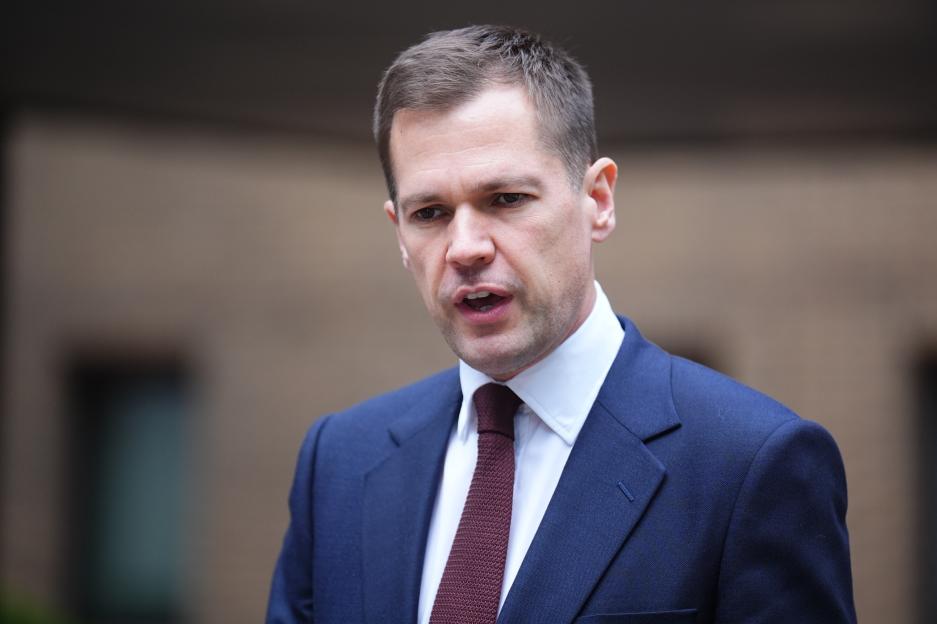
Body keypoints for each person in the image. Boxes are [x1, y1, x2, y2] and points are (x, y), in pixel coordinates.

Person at [267, 25, 856, 623]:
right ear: (399, 232)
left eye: (506, 199)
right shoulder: (339, 462)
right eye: (430, 213)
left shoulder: (751, 464)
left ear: (597, 199)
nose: (464, 247)